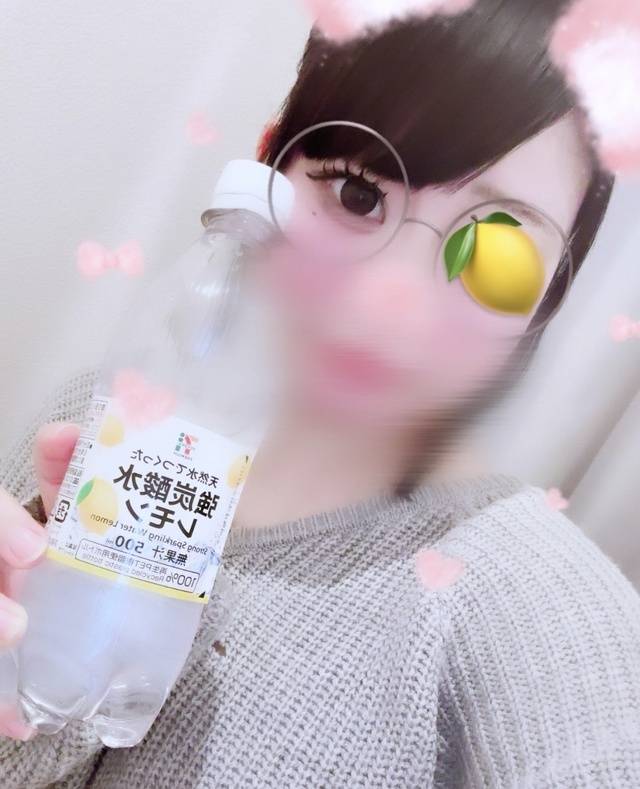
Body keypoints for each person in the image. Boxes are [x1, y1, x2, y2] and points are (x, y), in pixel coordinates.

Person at [1, 1, 640, 786]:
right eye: (358, 194)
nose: (391, 299)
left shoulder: (540, 606)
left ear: (546, 301)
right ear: (267, 168)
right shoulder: (90, 422)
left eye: (496, 250)